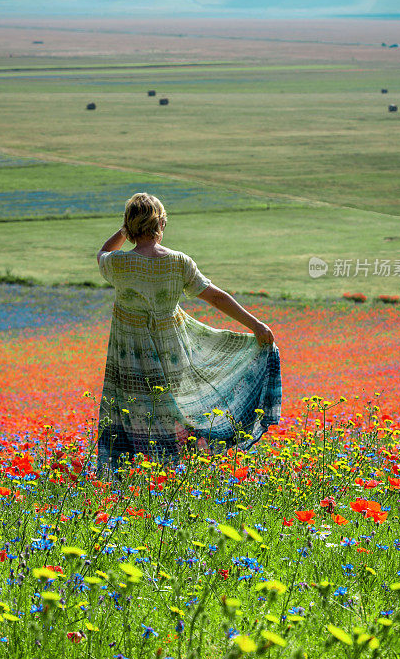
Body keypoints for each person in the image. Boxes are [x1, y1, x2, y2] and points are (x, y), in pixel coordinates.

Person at [96, 192, 282, 478]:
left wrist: (124, 230)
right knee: (175, 409)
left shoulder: (118, 264)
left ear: (130, 226)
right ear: (161, 224)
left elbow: (102, 253)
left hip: (128, 355)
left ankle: (133, 476)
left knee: (133, 411)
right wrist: (256, 325)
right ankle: (178, 473)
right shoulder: (179, 262)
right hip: (172, 350)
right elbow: (216, 297)